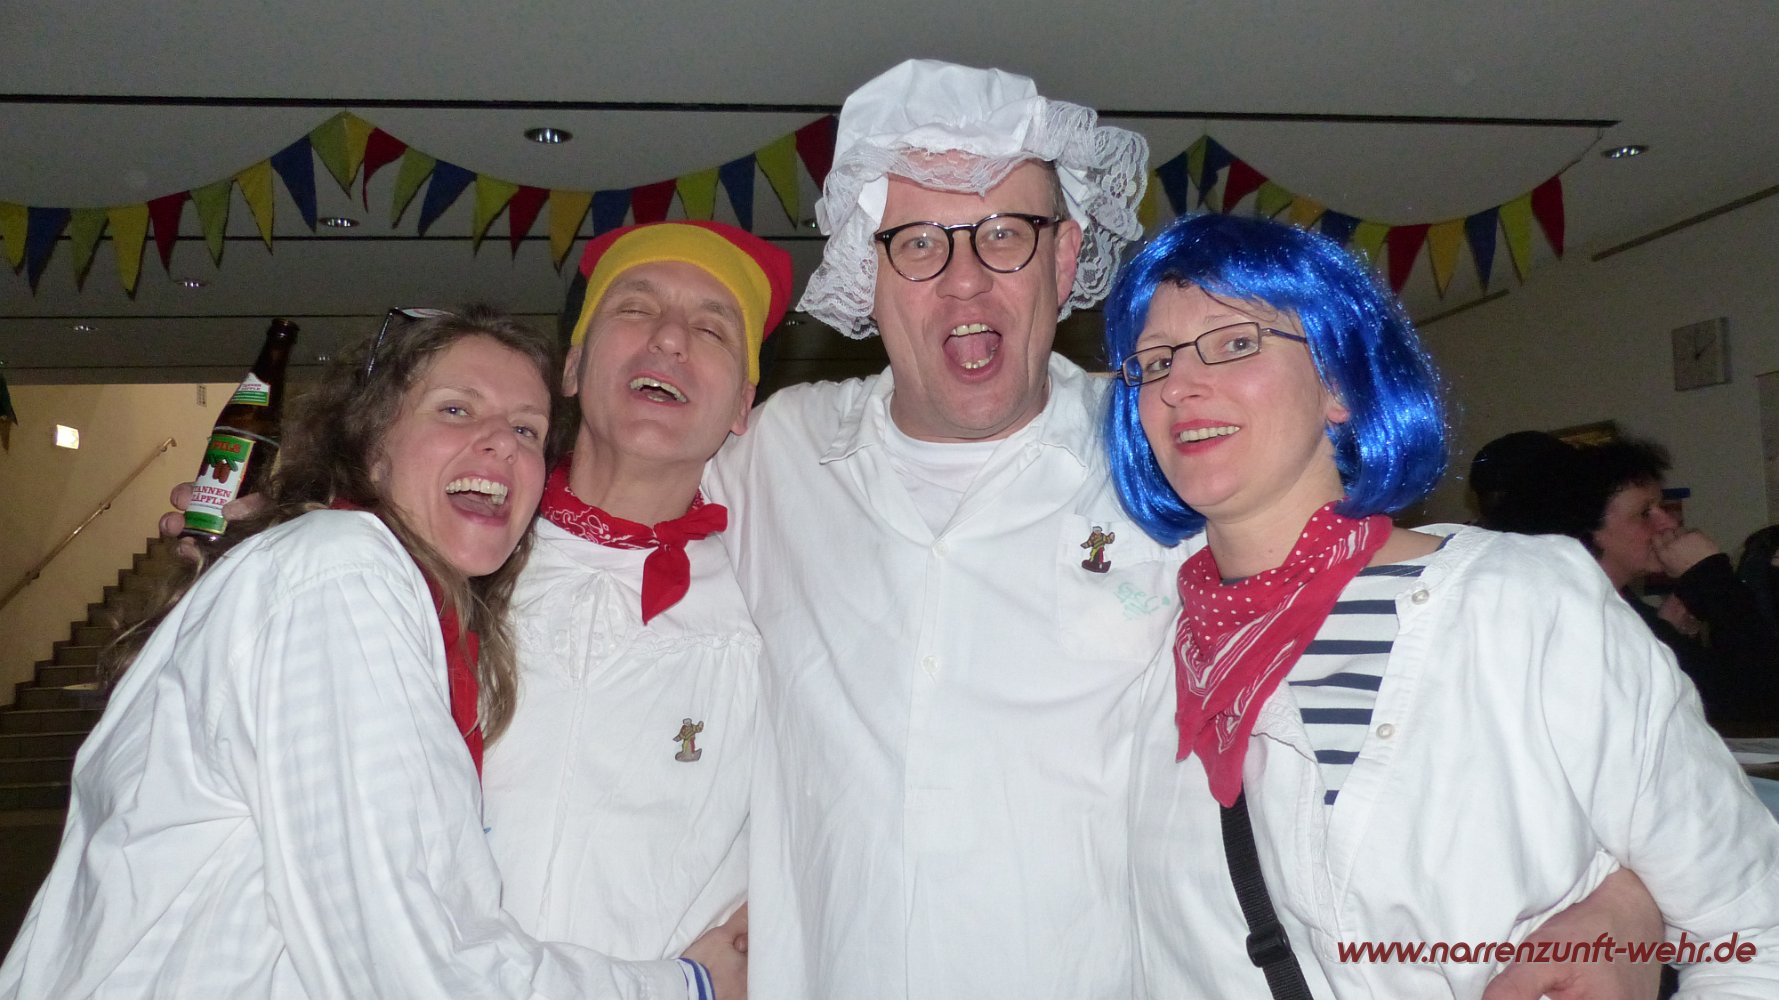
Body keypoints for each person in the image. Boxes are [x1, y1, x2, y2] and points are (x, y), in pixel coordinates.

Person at [705, 59, 1661, 999]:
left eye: (1004, 234)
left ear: (1064, 259)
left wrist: (1627, 898)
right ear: (864, 273)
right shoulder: (774, 456)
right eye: (918, 242)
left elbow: (1420, 650)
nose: (965, 282)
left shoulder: (1170, 456)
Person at [1102, 214, 1779, 997]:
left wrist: (1628, 909)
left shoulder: (1520, 604)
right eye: (1155, 362)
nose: (1178, 385)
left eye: (1234, 343)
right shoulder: (1139, 657)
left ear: (1337, 383)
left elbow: (1753, 932)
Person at [0, 308, 729, 998]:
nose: (502, 443)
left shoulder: (393, 600)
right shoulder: (342, 571)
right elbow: (405, 959)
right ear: (371, 444)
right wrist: (691, 985)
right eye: (456, 409)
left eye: (527, 429)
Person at [480, 220, 790, 986]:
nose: (670, 339)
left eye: (711, 329)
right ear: (573, 365)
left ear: (742, 405)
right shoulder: (451, 564)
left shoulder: (774, 610)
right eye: (635, 308)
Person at [1535, 436, 1779, 727]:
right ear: (1589, 528)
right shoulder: (1579, 617)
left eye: (1661, 507)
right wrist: (1710, 577)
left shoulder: (1621, 608)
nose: (1669, 523)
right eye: (1644, 513)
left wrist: (1667, 631)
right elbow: (1759, 701)